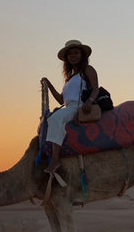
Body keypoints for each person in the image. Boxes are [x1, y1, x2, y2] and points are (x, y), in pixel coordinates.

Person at [40, 39, 100, 174]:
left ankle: (55, 160)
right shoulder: (70, 78)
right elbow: (61, 100)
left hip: (79, 107)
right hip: (68, 107)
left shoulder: (88, 70)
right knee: (50, 119)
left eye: (76, 53)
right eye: (70, 54)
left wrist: (89, 102)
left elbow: (96, 89)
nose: (73, 56)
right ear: (67, 58)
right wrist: (48, 84)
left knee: (55, 119)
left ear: (82, 55)